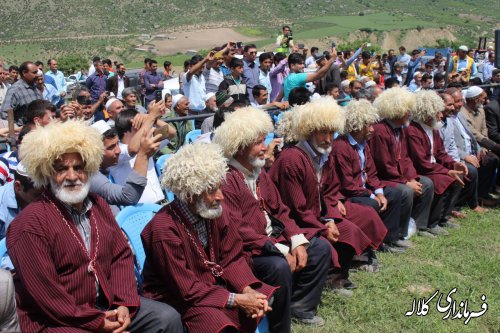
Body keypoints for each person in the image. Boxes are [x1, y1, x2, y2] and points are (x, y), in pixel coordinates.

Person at [7, 120, 183, 332]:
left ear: (89, 169)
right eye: (62, 169)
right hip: (56, 319)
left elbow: (120, 256)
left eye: (79, 167)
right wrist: (97, 321)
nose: (72, 176)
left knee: (166, 318)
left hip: (106, 304)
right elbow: (47, 295)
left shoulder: (98, 205)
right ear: (47, 173)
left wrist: (124, 304)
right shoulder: (28, 225)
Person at [214, 107, 331, 330]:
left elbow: (281, 210)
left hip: (274, 240)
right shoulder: (229, 179)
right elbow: (239, 231)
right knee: (278, 267)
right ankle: (280, 325)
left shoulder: (259, 173)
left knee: (319, 248)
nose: (265, 148)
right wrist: (279, 249)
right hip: (250, 250)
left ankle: (301, 306)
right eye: (258, 142)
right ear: (239, 147)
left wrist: (296, 238)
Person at [141, 142, 276, 333]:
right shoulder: (163, 229)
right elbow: (185, 288)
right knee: (217, 322)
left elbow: (233, 257)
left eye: (220, 187)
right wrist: (235, 299)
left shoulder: (216, 212)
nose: (221, 196)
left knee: (264, 298)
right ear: (190, 194)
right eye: (212, 190)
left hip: (212, 286)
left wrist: (247, 290)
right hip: (178, 298)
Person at [269, 97, 382, 292]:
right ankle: (321, 283)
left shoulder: (323, 155)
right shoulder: (292, 159)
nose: (328, 138)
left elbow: (330, 191)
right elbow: (296, 208)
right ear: (309, 131)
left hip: (318, 216)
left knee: (349, 227)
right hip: (295, 222)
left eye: (331, 132)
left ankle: (335, 278)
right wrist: (323, 226)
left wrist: (330, 217)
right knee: (331, 237)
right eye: (323, 132)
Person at [333, 99, 408, 252]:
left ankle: (389, 238)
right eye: (368, 125)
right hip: (350, 194)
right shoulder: (341, 147)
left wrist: (379, 192)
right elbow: (348, 185)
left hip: (363, 189)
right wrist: (373, 196)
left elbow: (371, 172)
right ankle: (373, 243)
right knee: (372, 204)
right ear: (356, 125)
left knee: (393, 194)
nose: (372, 129)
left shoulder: (363, 144)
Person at [368, 87, 437, 238]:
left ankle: (419, 225)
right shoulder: (380, 130)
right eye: (407, 110)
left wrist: (411, 177)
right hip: (383, 178)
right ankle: (399, 233)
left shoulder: (401, 129)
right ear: (396, 110)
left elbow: (406, 158)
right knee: (405, 191)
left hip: (399, 176)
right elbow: (384, 165)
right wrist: (406, 182)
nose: (410, 114)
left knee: (426, 183)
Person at [406, 90, 467, 231]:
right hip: (421, 170)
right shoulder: (413, 131)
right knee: (443, 180)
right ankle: (429, 224)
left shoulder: (433, 129)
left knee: (458, 176)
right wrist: (447, 171)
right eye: (437, 112)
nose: (441, 116)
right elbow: (421, 162)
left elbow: (441, 153)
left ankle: (442, 218)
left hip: (434, 167)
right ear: (427, 113)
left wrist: (454, 164)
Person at [89, 120, 161, 214]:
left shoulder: (103, 170)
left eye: (117, 144)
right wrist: (143, 155)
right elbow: (129, 197)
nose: (118, 151)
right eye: (111, 147)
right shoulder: (92, 176)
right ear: (93, 152)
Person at [110, 105, 170, 204]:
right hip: (137, 212)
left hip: (160, 203)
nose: (145, 128)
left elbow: (170, 133)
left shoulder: (145, 143)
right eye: (141, 125)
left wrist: (152, 119)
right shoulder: (117, 151)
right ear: (130, 128)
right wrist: (151, 117)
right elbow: (132, 149)